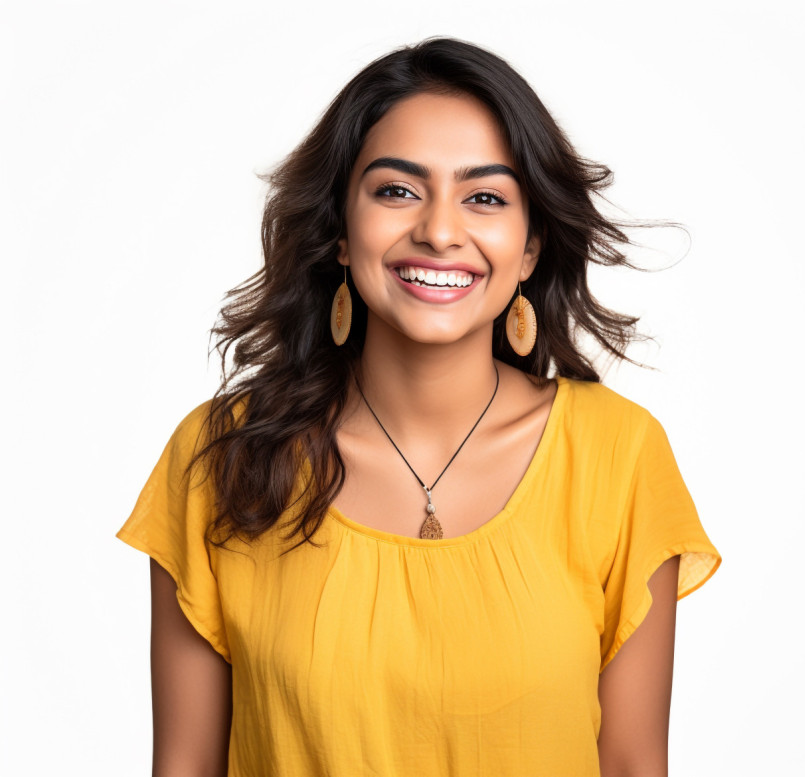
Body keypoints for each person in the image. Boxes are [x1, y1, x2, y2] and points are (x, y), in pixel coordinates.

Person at [117, 37, 722, 777]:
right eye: (397, 190)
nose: (439, 230)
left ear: (530, 247)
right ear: (341, 231)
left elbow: (632, 764)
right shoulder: (223, 457)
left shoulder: (619, 455)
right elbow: (184, 765)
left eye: (486, 198)